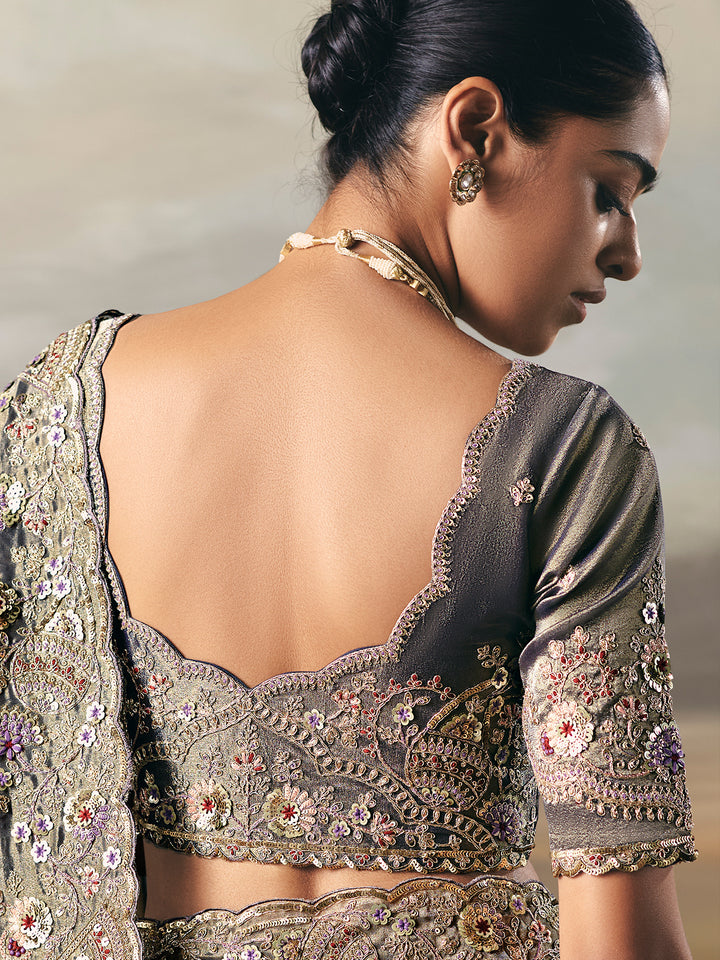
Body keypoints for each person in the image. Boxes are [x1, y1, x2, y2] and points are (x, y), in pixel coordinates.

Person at [0, 0, 697, 957]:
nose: (627, 253)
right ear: (475, 129)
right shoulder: (565, 448)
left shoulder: (59, 411)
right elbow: (619, 939)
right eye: (610, 189)